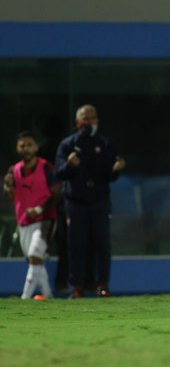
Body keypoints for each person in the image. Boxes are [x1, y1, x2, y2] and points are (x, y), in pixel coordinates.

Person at [55, 104, 126, 298]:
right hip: (75, 202)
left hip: (99, 202)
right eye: (85, 118)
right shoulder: (67, 144)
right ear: (77, 122)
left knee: (102, 244)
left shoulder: (105, 144)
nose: (89, 122)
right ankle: (77, 287)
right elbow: (59, 173)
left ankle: (102, 285)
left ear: (98, 121)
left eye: (92, 118)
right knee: (76, 245)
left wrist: (117, 169)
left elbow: (110, 176)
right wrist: (69, 165)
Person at [3, 131, 61, 300]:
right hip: (23, 221)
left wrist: (40, 209)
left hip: (45, 219)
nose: (26, 149)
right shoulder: (14, 170)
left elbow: (57, 194)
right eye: (22, 146)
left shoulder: (45, 168)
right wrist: (7, 187)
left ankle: (25, 297)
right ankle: (47, 294)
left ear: (36, 147)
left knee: (35, 255)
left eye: (29, 145)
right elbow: (10, 196)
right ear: (17, 148)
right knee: (34, 260)